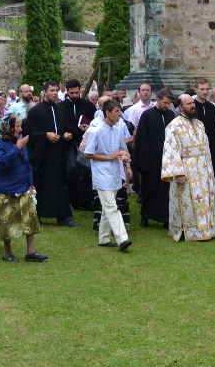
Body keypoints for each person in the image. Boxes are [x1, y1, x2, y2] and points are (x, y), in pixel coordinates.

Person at [161, 94, 215, 242]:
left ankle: (207, 229)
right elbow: (171, 151)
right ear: (180, 107)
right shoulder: (173, 126)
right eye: (188, 104)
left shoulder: (199, 124)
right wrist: (178, 173)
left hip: (204, 169)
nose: (192, 106)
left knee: (204, 199)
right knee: (189, 200)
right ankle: (189, 230)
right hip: (186, 170)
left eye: (193, 103)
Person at [0, 114, 46, 262]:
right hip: (4, 188)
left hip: (23, 186)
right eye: (18, 126)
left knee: (30, 218)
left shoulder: (18, 140)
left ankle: (31, 252)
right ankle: (7, 253)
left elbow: (26, 163)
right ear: (8, 127)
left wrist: (30, 182)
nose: (20, 129)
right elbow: (2, 163)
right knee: (6, 221)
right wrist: (17, 148)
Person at [24, 81, 78, 226]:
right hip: (43, 155)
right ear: (44, 92)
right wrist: (45, 135)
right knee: (42, 185)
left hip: (59, 153)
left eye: (56, 90)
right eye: (52, 90)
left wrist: (67, 134)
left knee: (60, 185)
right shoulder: (36, 111)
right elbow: (30, 133)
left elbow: (68, 128)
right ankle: (38, 214)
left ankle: (63, 216)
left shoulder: (61, 110)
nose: (55, 93)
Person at [85, 99, 134, 251]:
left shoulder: (119, 130)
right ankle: (122, 238)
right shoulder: (96, 130)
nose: (120, 114)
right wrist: (109, 157)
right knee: (112, 207)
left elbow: (123, 150)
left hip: (115, 173)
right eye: (117, 111)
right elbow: (88, 153)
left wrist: (127, 163)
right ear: (108, 113)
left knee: (109, 205)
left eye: (120, 111)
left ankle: (104, 238)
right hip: (101, 173)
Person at [130, 88, 175, 227]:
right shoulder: (147, 115)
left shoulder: (170, 115)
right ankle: (145, 216)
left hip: (167, 159)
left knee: (166, 190)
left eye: (169, 103)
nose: (167, 106)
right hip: (151, 160)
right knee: (150, 189)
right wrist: (143, 162)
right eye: (165, 103)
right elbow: (142, 139)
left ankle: (165, 218)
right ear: (158, 100)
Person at [62, 78, 97, 211]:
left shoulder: (88, 105)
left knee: (86, 172)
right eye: (72, 93)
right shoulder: (62, 107)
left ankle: (87, 201)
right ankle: (74, 201)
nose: (75, 95)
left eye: (77, 92)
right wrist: (66, 133)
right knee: (72, 172)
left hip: (86, 143)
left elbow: (96, 122)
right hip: (69, 144)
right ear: (67, 92)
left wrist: (89, 126)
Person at [193, 78, 215, 192]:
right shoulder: (192, 107)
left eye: (207, 89)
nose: (205, 92)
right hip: (197, 151)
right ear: (195, 90)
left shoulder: (211, 107)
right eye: (202, 89)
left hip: (212, 151)